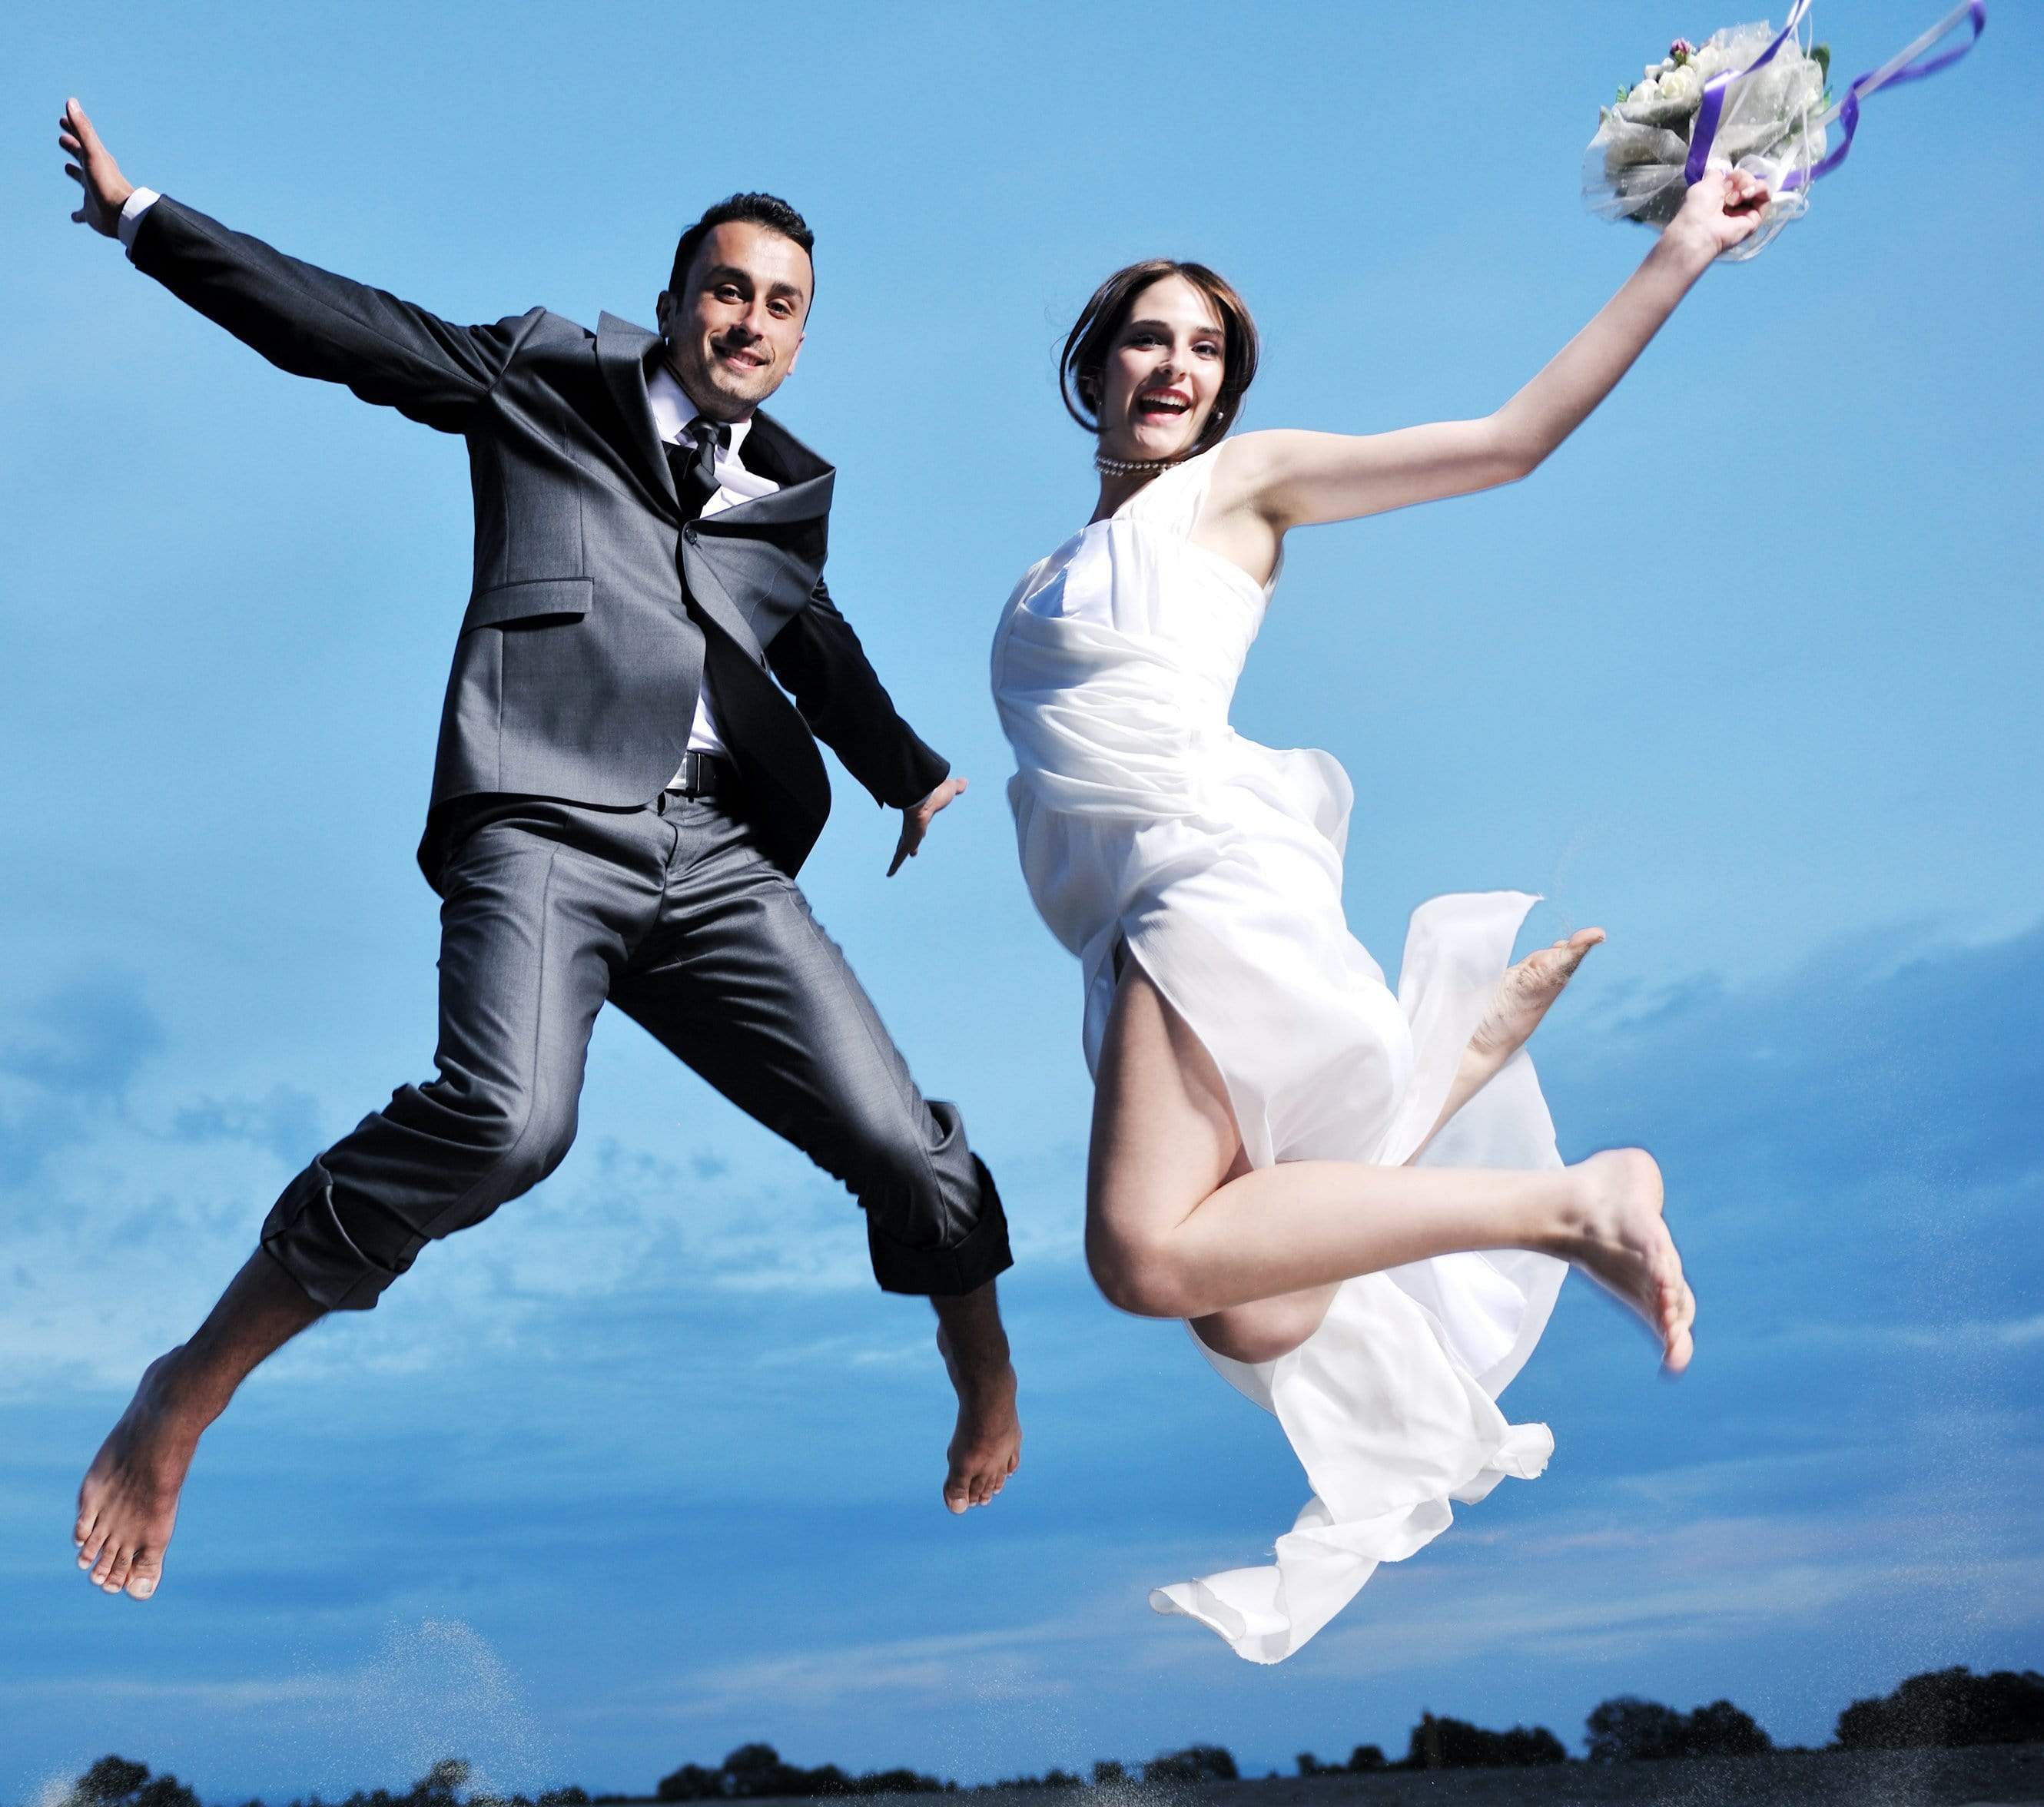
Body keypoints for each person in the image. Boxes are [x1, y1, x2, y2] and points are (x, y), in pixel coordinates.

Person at [59, 99, 1022, 1602]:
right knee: (510, 1122)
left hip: (712, 860)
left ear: (798, 336)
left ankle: (979, 1351)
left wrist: (906, 771)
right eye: (727, 287)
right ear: (672, 298)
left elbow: (805, 639)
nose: (748, 319)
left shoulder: (791, 497)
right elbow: (352, 330)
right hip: (539, 821)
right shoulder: (545, 374)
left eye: (780, 305)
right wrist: (146, 220)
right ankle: (187, 1387)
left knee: (899, 1138)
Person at [992, 169, 1772, 1662]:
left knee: (1145, 1257)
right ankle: (1446, 1072)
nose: (1175, 365)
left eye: (1206, 350)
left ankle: (1569, 1200)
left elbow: (1507, 440)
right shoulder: (1048, 569)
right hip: (1130, 930)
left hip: (1203, 875)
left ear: (1227, 394)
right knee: (1251, 1312)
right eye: (1147, 339)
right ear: (1091, 366)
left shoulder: (1239, 487)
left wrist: (1681, 249)